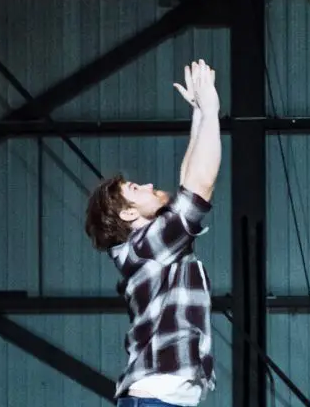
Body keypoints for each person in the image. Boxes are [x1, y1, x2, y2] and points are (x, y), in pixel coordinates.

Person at [84, 59, 221, 407]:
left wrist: (199, 116)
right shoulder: (148, 245)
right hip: (156, 400)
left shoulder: (149, 246)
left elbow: (188, 182)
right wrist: (212, 111)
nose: (147, 185)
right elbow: (200, 186)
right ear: (129, 214)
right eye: (135, 189)